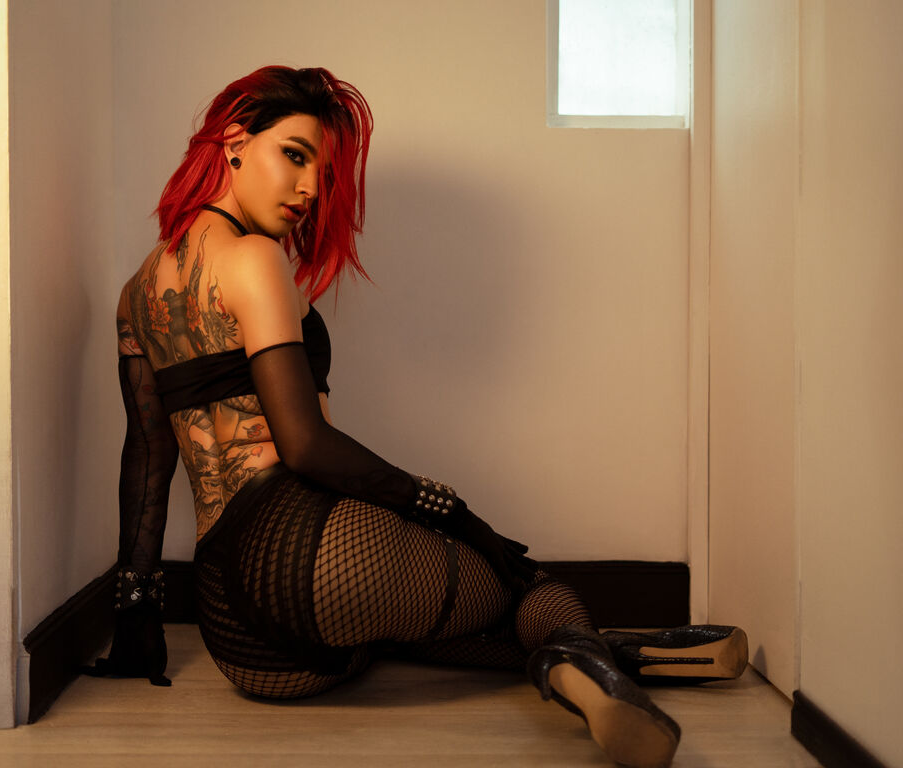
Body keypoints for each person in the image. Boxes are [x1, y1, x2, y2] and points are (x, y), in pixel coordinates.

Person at [85, 66, 748, 768]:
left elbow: (147, 460)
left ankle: (612, 656)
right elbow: (304, 445)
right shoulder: (255, 258)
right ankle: (598, 674)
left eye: (321, 174)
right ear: (234, 142)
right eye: (296, 155)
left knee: (402, 633)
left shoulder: (136, 294)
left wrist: (136, 618)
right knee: (526, 585)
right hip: (308, 549)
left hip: (238, 633)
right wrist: (444, 507)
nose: (309, 190)